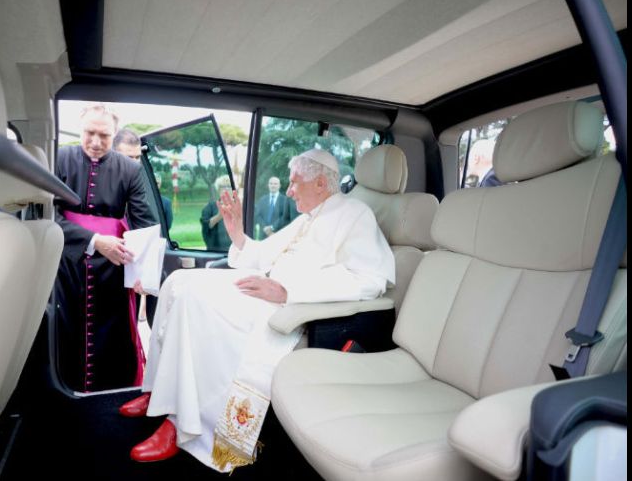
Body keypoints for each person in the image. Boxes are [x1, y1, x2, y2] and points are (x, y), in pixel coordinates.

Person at [117, 149, 395, 472]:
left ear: (320, 183)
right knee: (178, 282)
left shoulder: (355, 215)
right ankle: (160, 392)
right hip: (266, 290)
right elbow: (263, 255)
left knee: (194, 301)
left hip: (292, 310)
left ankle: (183, 423)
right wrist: (237, 233)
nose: (289, 191)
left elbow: (369, 279)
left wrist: (289, 291)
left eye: (295, 183)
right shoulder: (308, 218)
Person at [54, 103, 157, 393]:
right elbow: (47, 215)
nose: (96, 142)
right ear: (80, 128)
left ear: (113, 134)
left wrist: (143, 274)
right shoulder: (59, 158)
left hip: (113, 270)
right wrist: (95, 241)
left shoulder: (130, 169)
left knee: (112, 338)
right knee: (68, 334)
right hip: (68, 264)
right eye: (90, 133)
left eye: (105, 135)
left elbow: (143, 224)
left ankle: (109, 400)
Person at [113, 129, 173, 231]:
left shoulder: (135, 187)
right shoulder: (97, 186)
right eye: (129, 157)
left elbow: (146, 222)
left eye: (137, 157)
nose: (135, 163)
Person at [200, 175, 233, 251]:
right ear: (218, 190)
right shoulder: (209, 208)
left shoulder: (238, 207)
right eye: (223, 187)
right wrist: (219, 216)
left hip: (235, 253)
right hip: (215, 253)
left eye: (229, 187)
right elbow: (206, 226)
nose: (226, 190)